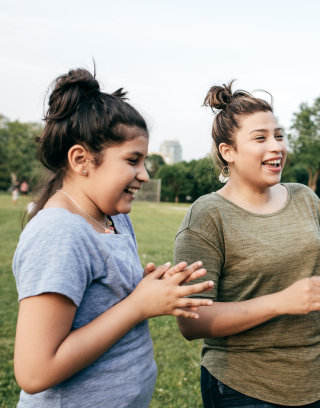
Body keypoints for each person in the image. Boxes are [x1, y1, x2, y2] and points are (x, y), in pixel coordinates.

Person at [12, 68, 214, 407]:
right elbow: (35, 372)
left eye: (144, 161)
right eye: (132, 160)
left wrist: (149, 289)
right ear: (81, 160)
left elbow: (104, 303)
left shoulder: (114, 217)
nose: (145, 175)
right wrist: (138, 305)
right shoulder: (59, 233)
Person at [174, 81, 320, 407]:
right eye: (260, 138)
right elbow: (191, 321)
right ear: (228, 152)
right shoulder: (207, 216)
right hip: (243, 389)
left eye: (279, 135)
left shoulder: (304, 198)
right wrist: (281, 302)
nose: (276, 146)